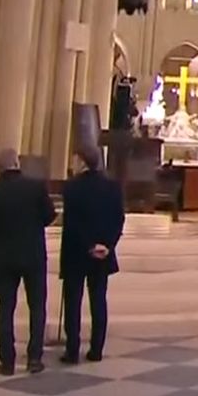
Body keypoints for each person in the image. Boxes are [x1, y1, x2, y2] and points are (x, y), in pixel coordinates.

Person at [0, 149, 57, 375]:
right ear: (17, 162)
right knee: (37, 306)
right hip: (33, 254)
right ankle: (34, 358)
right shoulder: (34, 187)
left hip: (5, 256)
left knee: (5, 308)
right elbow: (49, 216)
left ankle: (7, 361)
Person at [60, 149, 126, 364]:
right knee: (98, 300)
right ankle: (96, 349)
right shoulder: (112, 187)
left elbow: (72, 223)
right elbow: (119, 219)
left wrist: (89, 244)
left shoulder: (72, 187)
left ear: (82, 162)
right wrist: (106, 245)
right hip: (103, 253)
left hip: (76, 253)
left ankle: (72, 350)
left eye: (75, 159)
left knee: (73, 302)